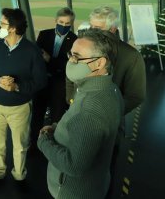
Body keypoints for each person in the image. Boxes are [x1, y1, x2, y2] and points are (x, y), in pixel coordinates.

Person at [38, 28, 124, 199]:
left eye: (77, 56)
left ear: (100, 63)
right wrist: (58, 128)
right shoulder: (109, 88)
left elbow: (73, 166)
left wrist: (43, 141)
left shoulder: (91, 108)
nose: (70, 61)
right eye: (70, 54)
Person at [0, 8, 47, 192]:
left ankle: (19, 175)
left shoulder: (32, 51)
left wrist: (17, 87)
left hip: (20, 107)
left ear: (12, 28)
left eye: (2, 23)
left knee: (20, 145)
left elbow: (41, 81)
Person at [67, 6, 146, 114]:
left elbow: (135, 96)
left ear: (112, 29)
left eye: (97, 28)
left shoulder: (131, 56)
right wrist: (71, 98)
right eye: (91, 26)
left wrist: (110, 113)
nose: (91, 31)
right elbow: (71, 71)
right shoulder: (83, 46)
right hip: (76, 108)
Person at [30, 7, 77, 152]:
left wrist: (50, 59)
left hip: (60, 84)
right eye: (61, 22)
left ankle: (53, 147)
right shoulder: (44, 35)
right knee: (37, 115)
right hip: (42, 83)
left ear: (71, 24)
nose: (64, 25)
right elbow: (37, 58)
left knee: (57, 117)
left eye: (67, 23)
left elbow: (68, 66)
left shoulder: (75, 41)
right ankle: (34, 145)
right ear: (55, 21)